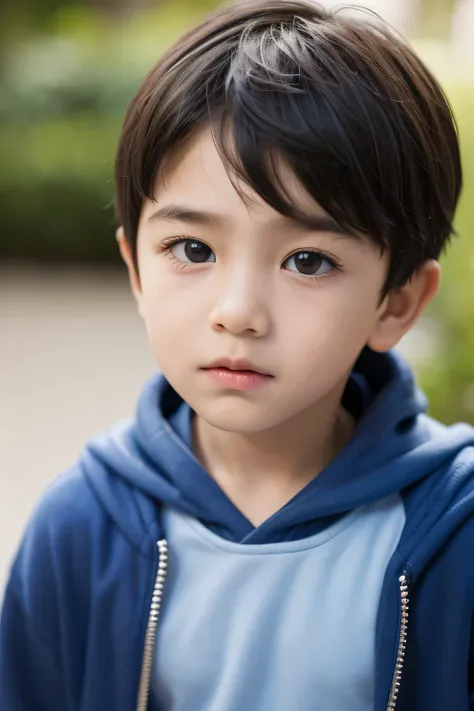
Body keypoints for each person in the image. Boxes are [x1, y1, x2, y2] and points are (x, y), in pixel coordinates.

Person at [1, 1, 474, 709]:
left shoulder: (454, 536)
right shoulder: (82, 529)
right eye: (193, 250)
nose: (239, 313)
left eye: (308, 260)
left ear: (397, 301)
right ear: (136, 268)